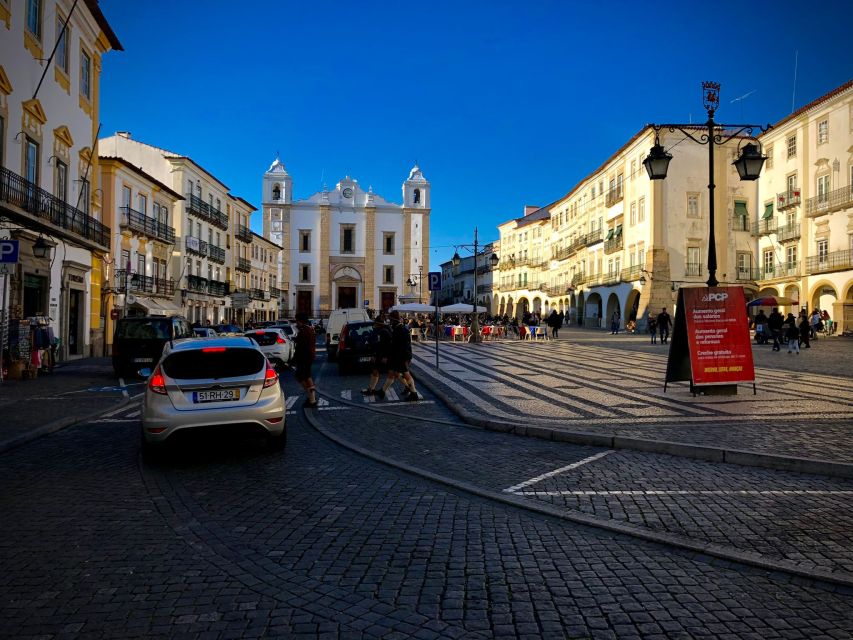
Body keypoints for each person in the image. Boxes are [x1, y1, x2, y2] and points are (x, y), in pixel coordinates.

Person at [375, 310, 419, 401]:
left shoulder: (400, 330)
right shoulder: (399, 329)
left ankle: (414, 393)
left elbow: (400, 345)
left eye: (390, 319)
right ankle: (382, 391)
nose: (389, 321)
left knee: (406, 374)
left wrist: (403, 357)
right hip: (398, 356)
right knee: (392, 373)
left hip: (401, 356)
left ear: (394, 320)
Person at [293, 312, 318, 407]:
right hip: (309, 356)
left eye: (296, 321)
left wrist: (295, 359)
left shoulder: (303, 331)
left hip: (304, 357)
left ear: (300, 321)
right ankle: (312, 397)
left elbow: (301, 347)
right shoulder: (310, 329)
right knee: (307, 376)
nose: (296, 323)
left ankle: (312, 398)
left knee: (302, 376)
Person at [362, 319, 392, 396]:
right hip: (379, 354)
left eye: (375, 323)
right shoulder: (378, 331)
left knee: (394, 373)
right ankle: (371, 389)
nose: (374, 325)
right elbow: (377, 344)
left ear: (378, 324)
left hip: (383, 355)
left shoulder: (384, 332)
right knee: (375, 370)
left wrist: (385, 356)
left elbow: (386, 345)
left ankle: (409, 387)